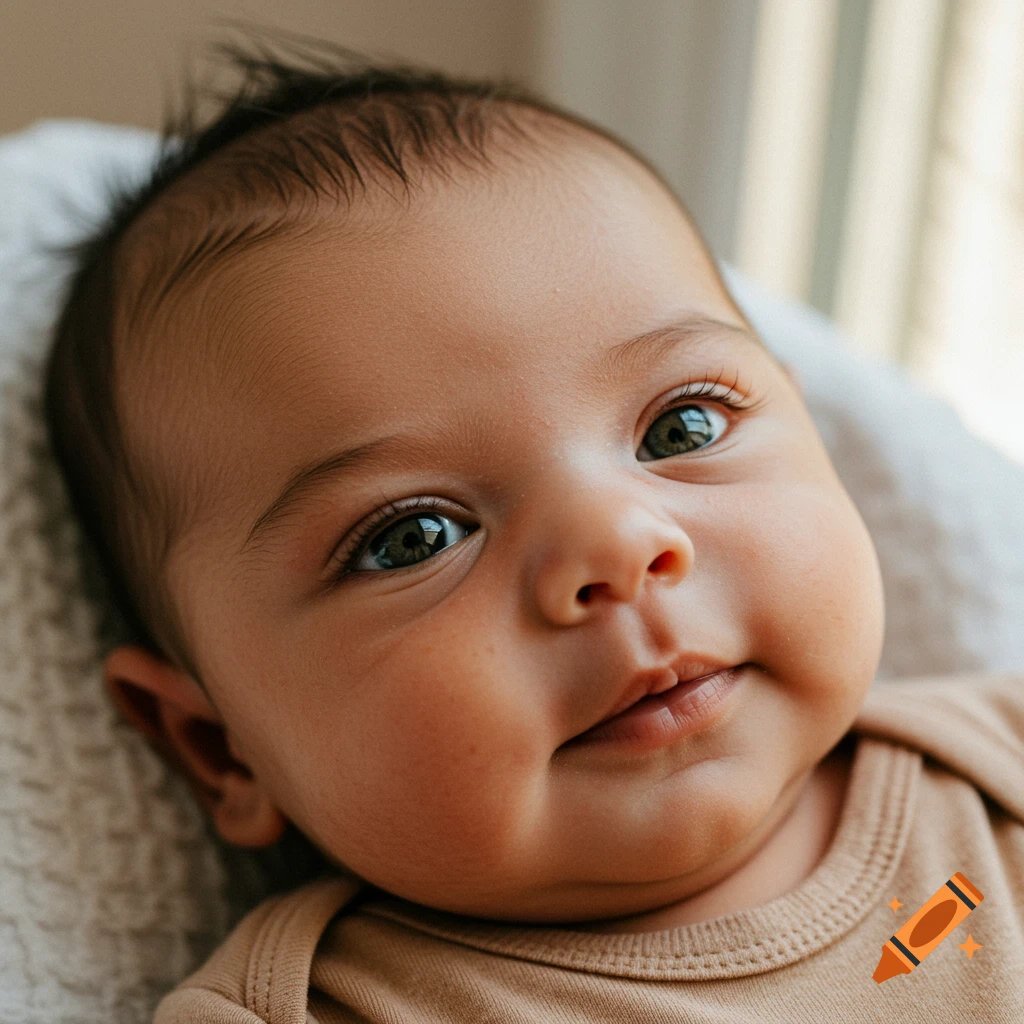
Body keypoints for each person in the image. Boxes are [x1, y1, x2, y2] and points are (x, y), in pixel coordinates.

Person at [41, 33, 1024, 1023]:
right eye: (416, 538)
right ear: (219, 748)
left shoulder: (997, 766)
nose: (618, 546)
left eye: (681, 428)